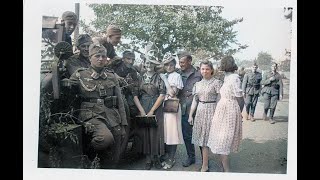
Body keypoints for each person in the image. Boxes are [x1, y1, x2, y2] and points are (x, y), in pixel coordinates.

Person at [64, 43, 127, 168]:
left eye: (103, 56)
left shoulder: (111, 76)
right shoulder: (80, 74)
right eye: (97, 56)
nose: (101, 59)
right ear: (90, 58)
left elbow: (120, 101)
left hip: (111, 114)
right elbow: (69, 94)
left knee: (117, 144)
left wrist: (124, 124)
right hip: (91, 114)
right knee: (105, 139)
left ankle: (106, 168)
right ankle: (88, 154)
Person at [207, 56, 244, 172]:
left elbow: (240, 98)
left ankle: (227, 171)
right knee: (219, 140)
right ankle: (224, 168)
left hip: (229, 111)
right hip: (222, 110)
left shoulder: (234, 78)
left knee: (224, 141)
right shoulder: (227, 77)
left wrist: (239, 112)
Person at [132, 47, 166, 170]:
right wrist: (141, 110)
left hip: (156, 106)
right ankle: (147, 159)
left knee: (156, 132)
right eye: (147, 62)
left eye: (151, 63)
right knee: (145, 132)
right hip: (143, 105)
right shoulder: (140, 77)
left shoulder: (159, 77)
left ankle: (156, 158)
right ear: (144, 64)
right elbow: (135, 95)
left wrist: (152, 111)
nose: (149, 65)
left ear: (154, 65)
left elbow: (162, 95)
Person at [188, 60, 222, 172]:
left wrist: (218, 115)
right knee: (203, 140)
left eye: (207, 69)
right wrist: (190, 115)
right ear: (200, 70)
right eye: (202, 69)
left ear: (211, 70)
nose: (205, 71)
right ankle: (205, 165)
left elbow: (219, 100)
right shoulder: (197, 84)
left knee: (215, 139)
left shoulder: (216, 83)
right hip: (200, 112)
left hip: (212, 110)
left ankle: (223, 163)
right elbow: (195, 101)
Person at [176, 51, 202, 167]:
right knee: (187, 135)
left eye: (183, 62)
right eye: (179, 62)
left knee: (201, 135)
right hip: (184, 108)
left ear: (190, 61)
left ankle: (204, 160)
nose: (180, 64)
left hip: (198, 109)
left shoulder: (199, 74)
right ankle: (191, 157)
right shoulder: (177, 74)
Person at [159, 54, 184, 169]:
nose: (169, 67)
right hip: (163, 106)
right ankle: (165, 155)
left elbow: (172, 93)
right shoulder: (166, 75)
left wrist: (164, 79)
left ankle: (171, 158)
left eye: (171, 65)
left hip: (171, 106)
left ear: (175, 65)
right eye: (167, 65)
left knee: (172, 134)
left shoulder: (176, 76)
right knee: (165, 133)